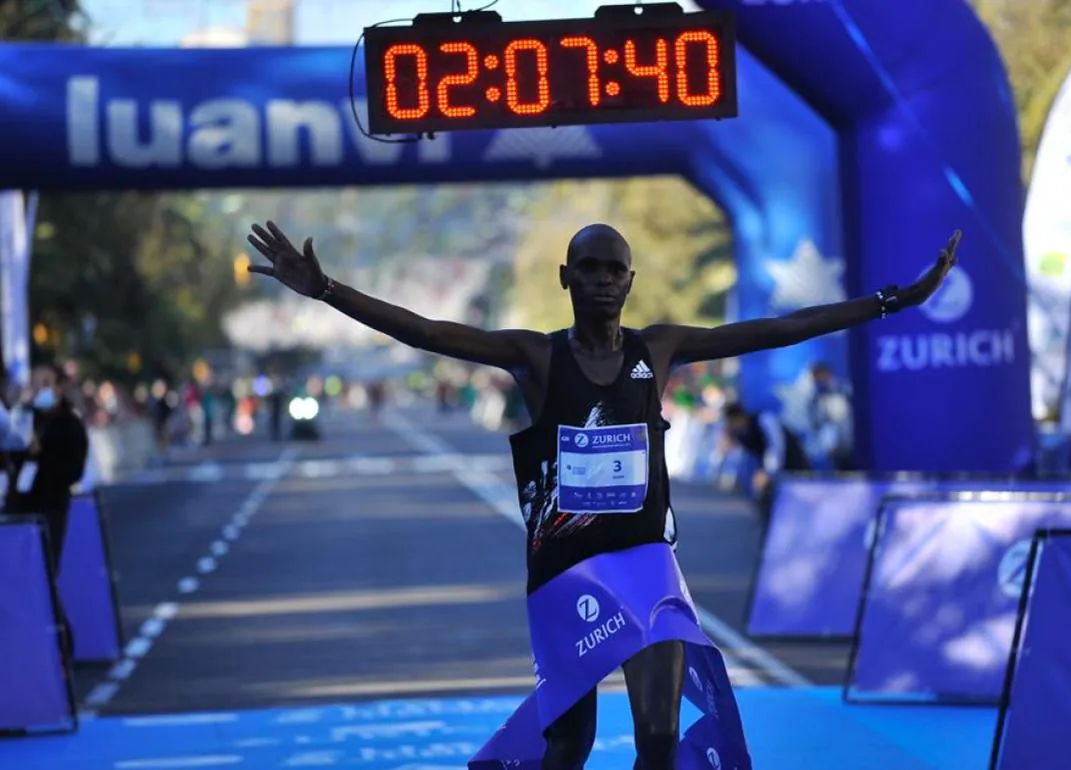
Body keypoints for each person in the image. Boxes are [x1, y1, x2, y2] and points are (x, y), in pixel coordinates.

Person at [245, 220, 959, 769]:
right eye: (588, 268)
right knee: (569, 750)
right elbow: (431, 331)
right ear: (566, 277)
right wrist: (328, 289)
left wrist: (894, 299)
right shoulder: (536, 356)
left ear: (630, 280)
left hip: (648, 566)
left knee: (656, 737)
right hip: (566, 577)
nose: (602, 280)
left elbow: (776, 329)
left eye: (614, 269)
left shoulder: (660, 349)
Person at [3, 363, 90, 573]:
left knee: (44, 572)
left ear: (59, 388)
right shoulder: (22, 417)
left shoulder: (70, 425)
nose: (38, 389)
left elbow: (73, 472)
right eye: (34, 383)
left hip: (50, 507)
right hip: (19, 505)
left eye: (45, 383)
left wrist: (41, 453)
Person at [721, 402, 812, 519]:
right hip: (773, 470)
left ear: (739, 417)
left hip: (793, 464)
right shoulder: (741, 433)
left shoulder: (764, 420)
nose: (731, 425)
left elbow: (775, 447)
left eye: (731, 421)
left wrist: (767, 472)